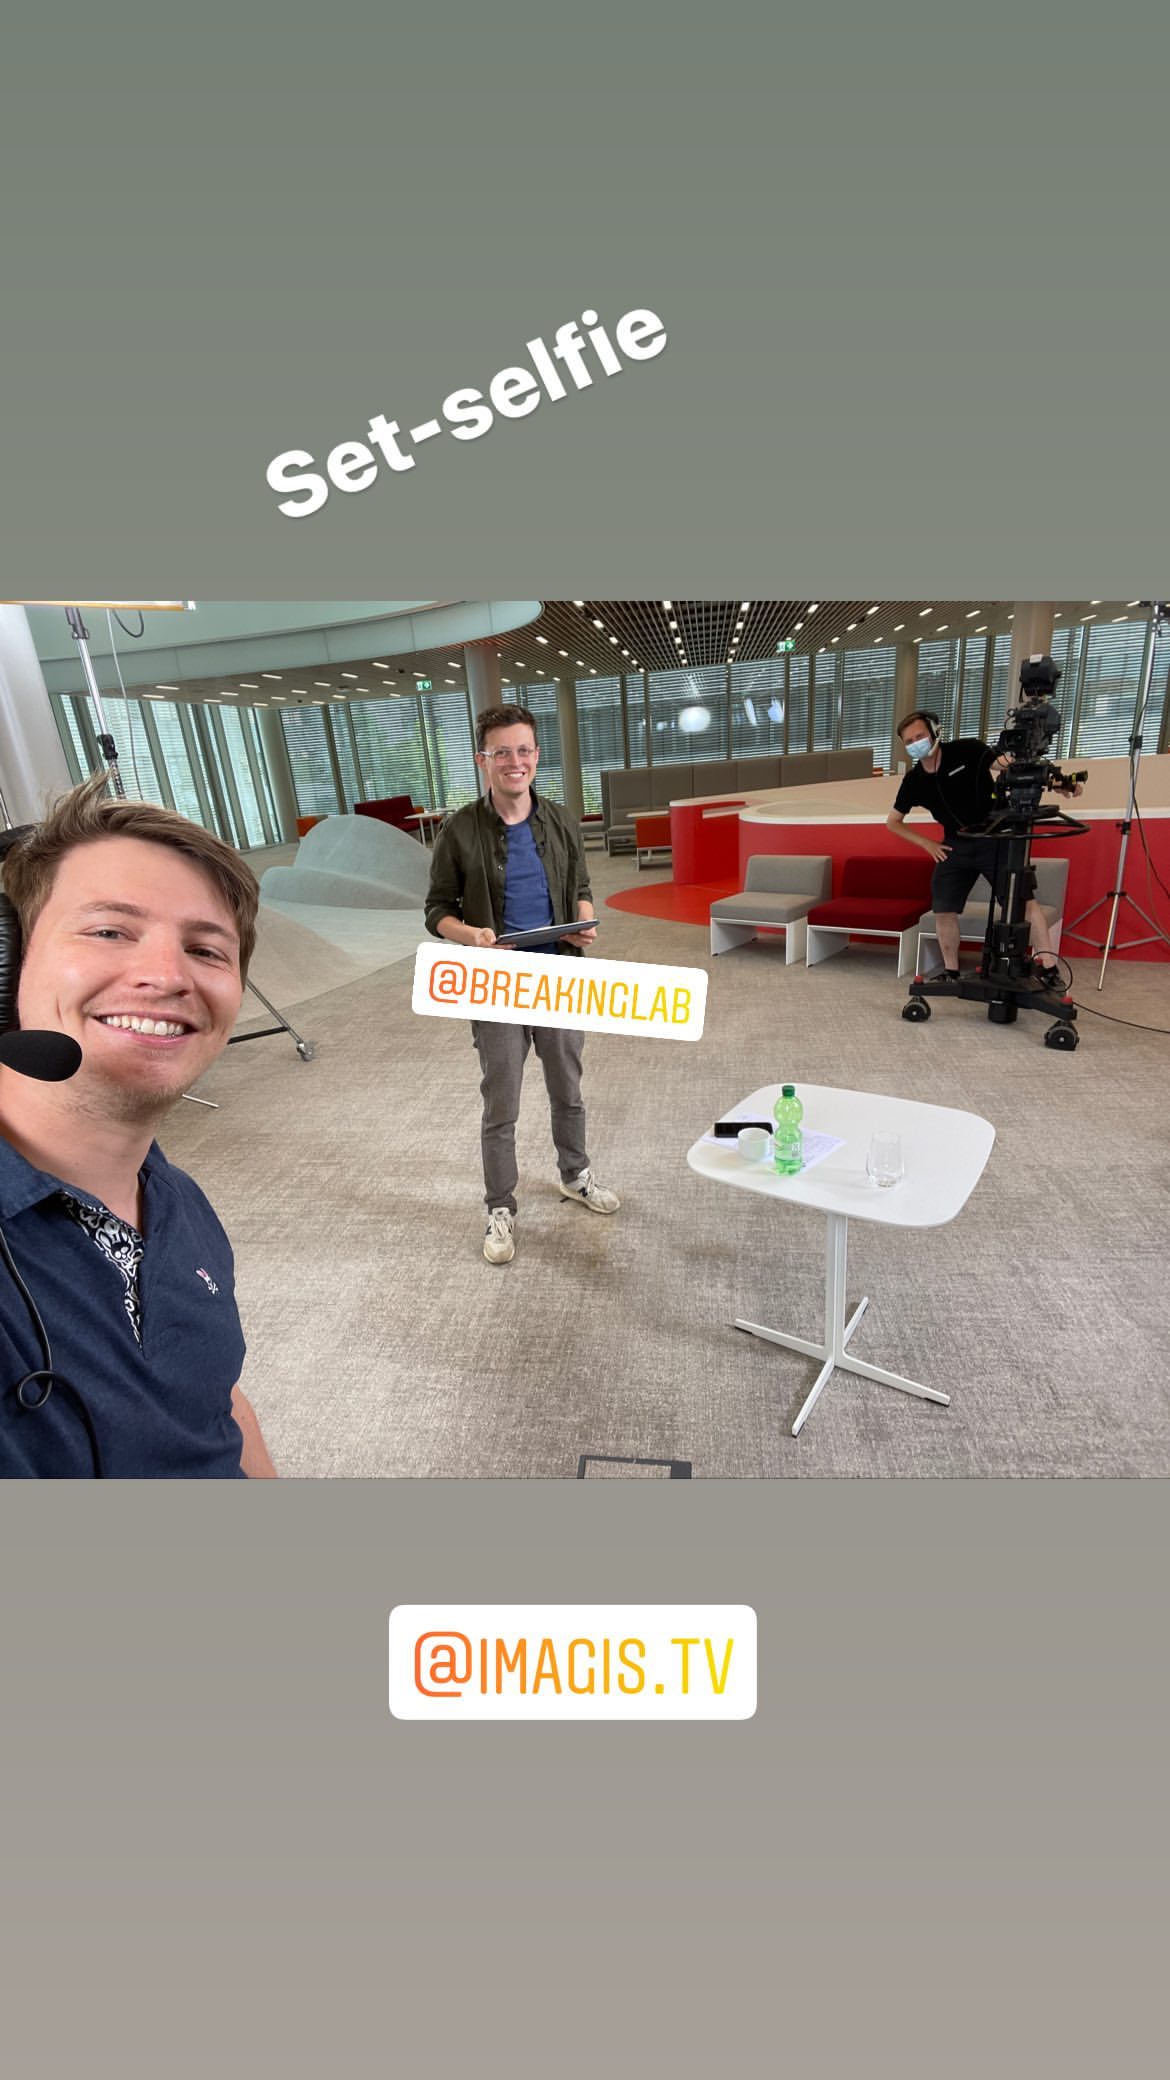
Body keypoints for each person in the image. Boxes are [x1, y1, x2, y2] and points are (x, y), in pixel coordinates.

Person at [0, 775, 277, 1478]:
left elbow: (220, 1403)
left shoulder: (177, 1200)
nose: (167, 975)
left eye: (206, 950)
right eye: (109, 931)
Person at [424, 703, 620, 1264]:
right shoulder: (460, 830)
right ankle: (499, 1206)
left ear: (536, 754)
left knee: (568, 1090)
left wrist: (584, 920)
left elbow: (581, 886)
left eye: (525, 750)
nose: (516, 761)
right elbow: (437, 910)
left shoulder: (560, 820)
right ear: (482, 760)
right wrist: (471, 936)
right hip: (496, 984)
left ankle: (575, 1175)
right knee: (501, 1103)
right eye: (502, 752)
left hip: (558, 976)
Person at [886, 710, 1064, 986]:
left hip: (995, 836)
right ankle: (951, 972)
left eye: (919, 736)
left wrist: (1058, 783)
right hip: (955, 844)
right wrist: (927, 843)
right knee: (943, 909)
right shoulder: (914, 781)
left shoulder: (968, 750)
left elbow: (1013, 768)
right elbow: (893, 822)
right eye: (909, 741)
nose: (915, 744)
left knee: (1023, 902)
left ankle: (1050, 969)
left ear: (934, 732)